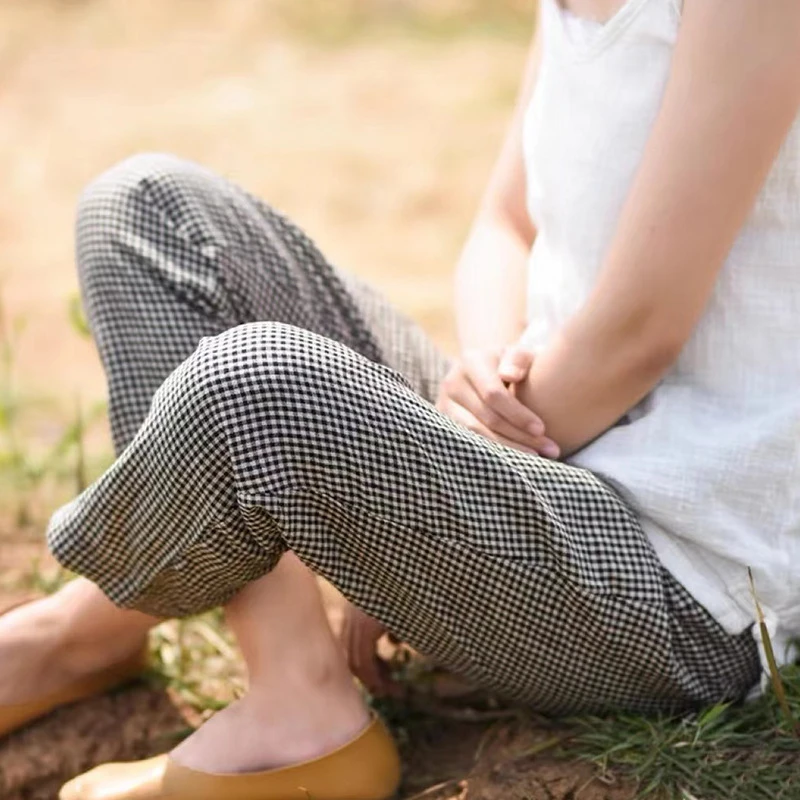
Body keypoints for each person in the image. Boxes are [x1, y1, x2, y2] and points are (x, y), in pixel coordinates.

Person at [2, 0, 800, 797]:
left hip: (682, 576)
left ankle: (84, 628)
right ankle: (297, 699)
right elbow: (506, 224)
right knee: (147, 207)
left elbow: (639, 330)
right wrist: (475, 382)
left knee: (255, 385)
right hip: (540, 433)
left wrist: (423, 497)